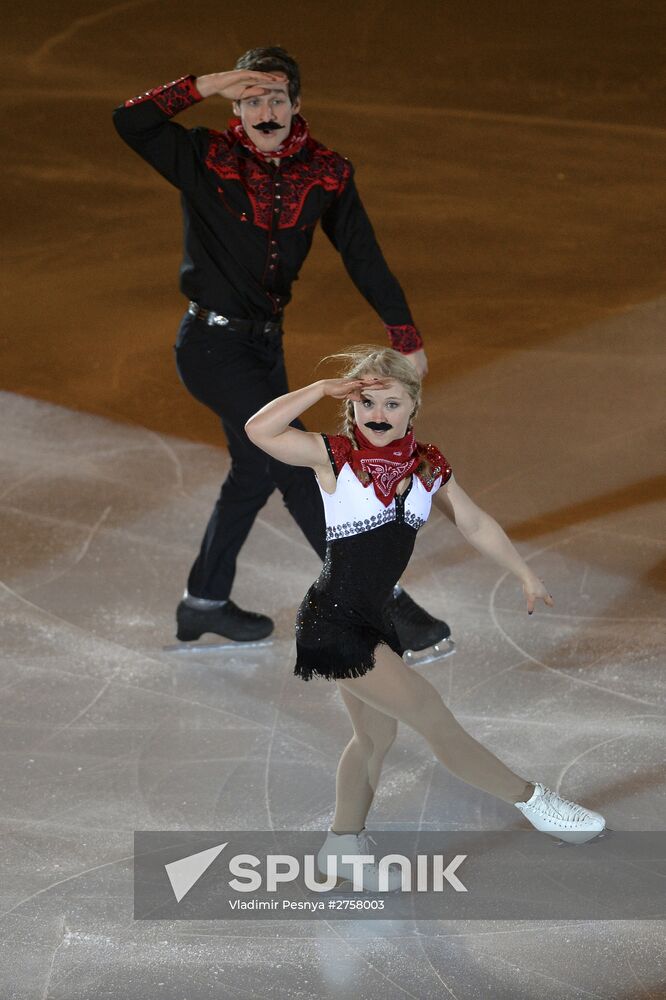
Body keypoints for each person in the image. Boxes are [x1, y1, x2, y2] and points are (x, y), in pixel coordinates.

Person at [112, 46, 449, 654]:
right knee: (294, 463)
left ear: (296, 105)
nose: (264, 111)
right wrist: (204, 83)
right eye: (249, 99)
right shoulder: (203, 157)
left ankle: (203, 604)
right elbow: (129, 119)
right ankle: (374, 602)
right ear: (234, 108)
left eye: (275, 97)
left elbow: (362, 254)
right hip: (210, 347)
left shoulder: (325, 172)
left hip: (266, 348)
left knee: (251, 471)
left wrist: (406, 336)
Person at [245, 346, 606, 890]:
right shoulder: (333, 456)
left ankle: (341, 845)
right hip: (334, 624)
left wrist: (523, 571)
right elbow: (260, 430)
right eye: (368, 403)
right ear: (353, 407)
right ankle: (537, 803)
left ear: (414, 408)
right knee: (432, 716)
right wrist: (320, 391)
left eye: (393, 403)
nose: (379, 414)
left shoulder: (427, 466)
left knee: (373, 740)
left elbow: (474, 521)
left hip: (375, 621)